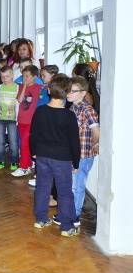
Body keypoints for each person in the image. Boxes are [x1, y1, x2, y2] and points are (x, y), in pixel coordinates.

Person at [30, 74, 81, 237]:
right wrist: (76, 162)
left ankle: (40, 219)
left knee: (42, 187)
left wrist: (34, 152)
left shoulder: (40, 111)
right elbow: (74, 142)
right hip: (62, 158)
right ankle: (67, 227)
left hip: (43, 155)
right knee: (64, 191)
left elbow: (33, 134)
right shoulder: (69, 115)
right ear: (67, 93)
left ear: (49, 90)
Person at [61, 76, 99, 226]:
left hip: (83, 155)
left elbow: (96, 131)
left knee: (77, 186)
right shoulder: (72, 107)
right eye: (68, 90)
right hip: (73, 153)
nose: (68, 94)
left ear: (83, 93)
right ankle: (69, 212)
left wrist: (93, 145)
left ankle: (74, 216)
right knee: (70, 185)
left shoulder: (87, 109)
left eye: (73, 91)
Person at [11, 65, 43, 176]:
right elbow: (20, 100)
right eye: (23, 76)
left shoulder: (40, 88)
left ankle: (23, 167)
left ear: (34, 77)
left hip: (31, 120)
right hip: (21, 119)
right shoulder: (20, 87)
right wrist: (24, 86)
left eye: (27, 76)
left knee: (25, 143)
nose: (24, 78)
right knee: (23, 143)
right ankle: (28, 164)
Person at [0, 66, 20, 170]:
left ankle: (14, 161)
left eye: (7, 76)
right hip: (1, 118)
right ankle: (0, 159)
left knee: (13, 140)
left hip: (13, 119)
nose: (5, 79)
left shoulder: (18, 88)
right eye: (2, 77)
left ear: (12, 76)